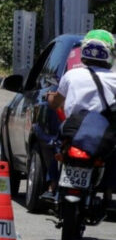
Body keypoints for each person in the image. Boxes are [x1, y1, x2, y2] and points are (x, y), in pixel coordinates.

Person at [43, 30, 116, 202]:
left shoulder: (71, 75)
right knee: (113, 153)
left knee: (56, 145)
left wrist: (50, 97)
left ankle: (52, 185)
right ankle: (109, 191)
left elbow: (56, 102)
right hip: (102, 134)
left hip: (73, 130)